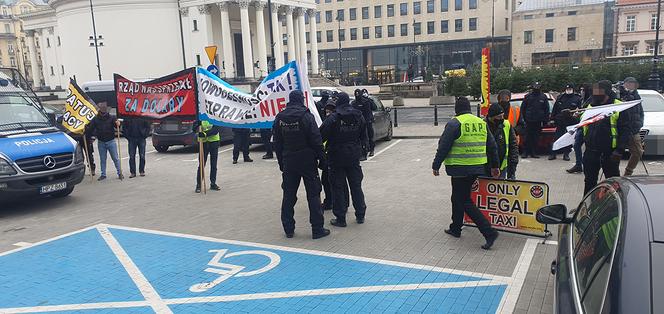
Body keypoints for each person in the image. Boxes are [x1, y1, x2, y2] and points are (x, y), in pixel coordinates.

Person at [432, 97, 501, 250]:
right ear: (469, 108)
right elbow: (492, 146)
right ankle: (455, 227)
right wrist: (495, 166)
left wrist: (436, 165)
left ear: (456, 109)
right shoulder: (481, 123)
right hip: (477, 168)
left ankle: (489, 232)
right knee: (457, 197)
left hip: (459, 169)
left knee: (464, 200)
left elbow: (443, 146)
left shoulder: (454, 123)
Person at [273, 90, 330, 240]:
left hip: (289, 160)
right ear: (301, 100)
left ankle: (288, 229)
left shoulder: (280, 118)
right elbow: (316, 140)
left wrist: (281, 162)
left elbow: (277, 143)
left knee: (288, 195)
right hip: (307, 160)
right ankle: (317, 229)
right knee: (313, 194)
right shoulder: (306, 116)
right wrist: (322, 159)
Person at [321, 92, 368, 227]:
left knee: (338, 188)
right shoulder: (358, 115)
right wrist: (363, 150)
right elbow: (364, 134)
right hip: (353, 155)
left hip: (336, 157)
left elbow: (321, 135)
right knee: (356, 186)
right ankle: (360, 214)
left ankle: (340, 218)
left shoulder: (334, 117)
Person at [582, 80, 630, 195]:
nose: (594, 94)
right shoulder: (591, 105)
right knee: (589, 181)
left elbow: (625, 130)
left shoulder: (619, 106)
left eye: (598, 91)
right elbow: (581, 123)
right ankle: (587, 206)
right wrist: (568, 116)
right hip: (591, 151)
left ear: (606, 92)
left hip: (610, 153)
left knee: (613, 183)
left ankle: (614, 208)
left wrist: (619, 150)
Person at [86, 102, 123, 181]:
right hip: (101, 141)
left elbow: (117, 126)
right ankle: (103, 174)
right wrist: (85, 129)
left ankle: (120, 173)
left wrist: (118, 124)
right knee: (103, 159)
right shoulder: (96, 119)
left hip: (110, 140)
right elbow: (91, 129)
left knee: (115, 158)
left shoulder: (112, 117)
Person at [485, 103, 519, 179]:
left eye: (503, 116)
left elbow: (513, 146)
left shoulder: (506, 124)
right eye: (499, 117)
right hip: (485, 167)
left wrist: (512, 169)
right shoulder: (482, 125)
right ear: (491, 117)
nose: (502, 119)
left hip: (502, 168)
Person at [550, 84, 581, 161]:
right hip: (560, 121)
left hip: (571, 122)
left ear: (573, 89)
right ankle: (553, 153)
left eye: (570, 89)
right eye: (567, 89)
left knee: (568, 138)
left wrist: (576, 116)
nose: (568, 90)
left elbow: (579, 111)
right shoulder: (560, 97)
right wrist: (552, 118)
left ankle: (566, 154)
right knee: (557, 137)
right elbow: (555, 109)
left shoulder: (577, 98)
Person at [620, 77, 644, 176]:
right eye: (629, 83)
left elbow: (640, 111)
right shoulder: (619, 94)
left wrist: (640, 123)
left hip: (634, 129)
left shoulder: (636, 95)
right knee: (616, 153)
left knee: (638, 152)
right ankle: (613, 173)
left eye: (633, 84)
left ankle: (628, 172)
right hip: (621, 129)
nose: (631, 86)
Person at [567, 83, 593, 174]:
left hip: (588, 127)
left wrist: (579, 114)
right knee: (577, 145)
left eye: (583, 90)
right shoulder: (583, 100)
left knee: (587, 147)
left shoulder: (591, 100)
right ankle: (579, 165)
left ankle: (586, 165)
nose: (581, 92)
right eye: (581, 90)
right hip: (582, 126)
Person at [520, 82, 550, 159]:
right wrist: (523, 119)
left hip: (538, 121)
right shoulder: (528, 96)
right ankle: (525, 152)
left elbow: (546, 109)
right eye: (535, 87)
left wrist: (545, 121)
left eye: (538, 87)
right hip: (528, 121)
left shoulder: (543, 97)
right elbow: (523, 109)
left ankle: (534, 152)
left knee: (536, 138)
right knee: (527, 137)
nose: (536, 89)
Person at [195, 120, 221, 193]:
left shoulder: (214, 116)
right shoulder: (200, 117)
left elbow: (215, 130)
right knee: (202, 164)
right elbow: (194, 129)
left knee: (213, 164)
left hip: (214, 142)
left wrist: (205, 134)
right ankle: (199, 185)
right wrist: (197, 126)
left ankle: (213, 183)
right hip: (203, 143)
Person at [351, 88, 377, 158]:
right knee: (361, 138)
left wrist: (369, 99)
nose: (357, 95)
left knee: (370, 136)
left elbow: (372, 109)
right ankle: (362, 151)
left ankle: (371, 150)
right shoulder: (354, 103)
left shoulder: (366, 101)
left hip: (367, 122)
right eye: (356, 94)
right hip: (358, 123)